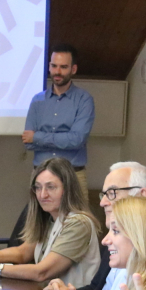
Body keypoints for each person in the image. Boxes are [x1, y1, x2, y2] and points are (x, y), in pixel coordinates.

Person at [0, 157, 101, 287]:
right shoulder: (49, 217)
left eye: (50, 187)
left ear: (67, 189)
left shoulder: (79, 223)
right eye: (38, 187)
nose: (42, 195)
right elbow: (23, 253)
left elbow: (42, 272)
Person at [44, 161, 146, 290]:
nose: (102, 202)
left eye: (112, 193)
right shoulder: (113, 239)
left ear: (141, 196)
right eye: (104, 194)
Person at [22, 43, 95, 192]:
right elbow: (28, 142)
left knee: (77, 216)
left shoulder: (84, 100)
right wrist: (63, 139)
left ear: (73, 69)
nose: (57, 72)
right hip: (41, 175)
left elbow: (77, 140)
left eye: (63, 67)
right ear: (49, 66)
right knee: (38, 216)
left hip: (73, 176)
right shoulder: (37, 100)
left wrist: (38, 137)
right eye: (54, 66)